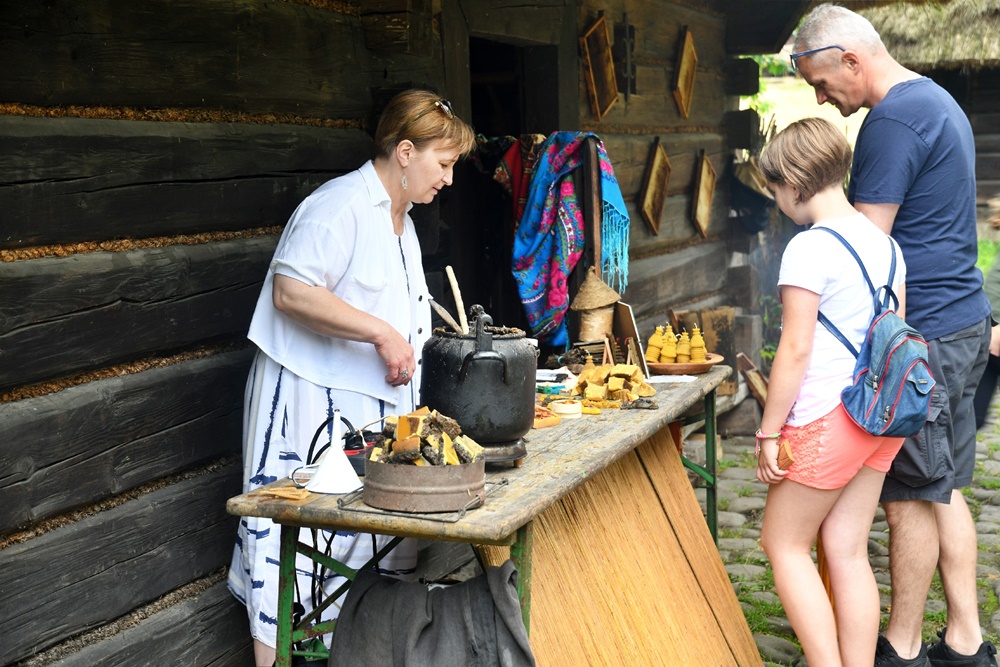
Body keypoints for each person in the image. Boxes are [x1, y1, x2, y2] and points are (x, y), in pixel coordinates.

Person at [227, 89, 476, 666]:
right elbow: (290, 291)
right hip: (305, 403)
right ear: (406, 152)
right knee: (294, 546)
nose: (449, 180)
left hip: (365, 413)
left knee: (362, 551)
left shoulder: (403, 223)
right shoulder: (338, 206)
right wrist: (382, 334)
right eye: (444, 164)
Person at [793, 5, 995, 667]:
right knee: (944, 486)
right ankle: (966, 640)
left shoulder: (892, 122)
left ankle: (903, 647)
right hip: (960, 322)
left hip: (921, 337)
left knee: (909, 497)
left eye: (820, 82)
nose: (821, 97)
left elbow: (866, 245)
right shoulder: (937, 100)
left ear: (851, 58)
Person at [756, 117, 907, 667]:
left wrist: (769, 432)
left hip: (828, 417)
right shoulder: (887, 246)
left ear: (795, 182)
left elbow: (794, 350)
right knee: (846, 549)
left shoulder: (809, 247)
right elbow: (894, 339)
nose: (776, 202)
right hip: (882, 418)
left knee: (784, 545)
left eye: (775, 190)